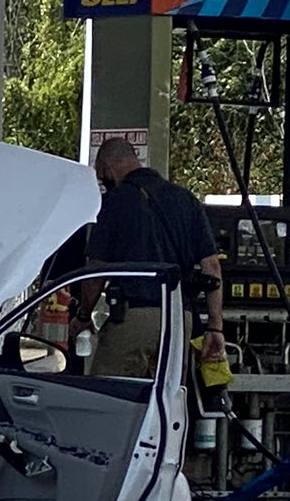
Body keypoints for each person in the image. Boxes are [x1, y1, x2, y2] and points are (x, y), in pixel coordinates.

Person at [72, 138, 225, 379]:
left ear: (107, 168)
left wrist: (83, 316)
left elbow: (96, 270)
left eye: (102, 176)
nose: (104, 182)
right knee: (166, 402)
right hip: (178, 321)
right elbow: (212, 267)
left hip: (134, 317)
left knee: (111, 397)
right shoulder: (186, 199)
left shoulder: (116, 201)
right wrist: (215, 327)